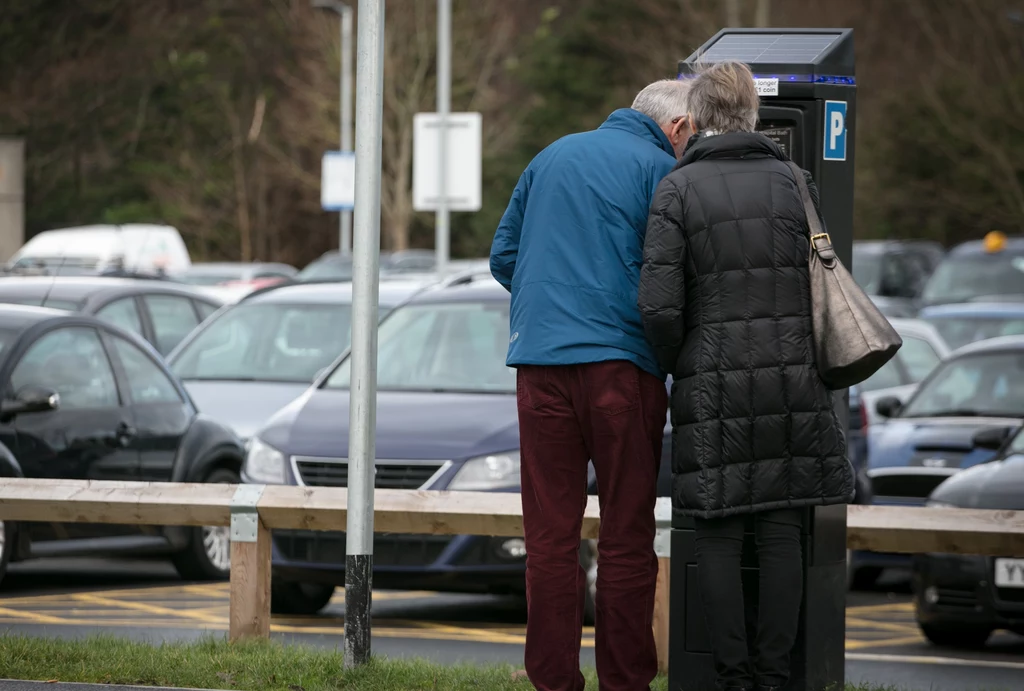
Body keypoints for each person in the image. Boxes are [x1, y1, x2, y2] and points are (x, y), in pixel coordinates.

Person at [638, 61, 854, 691]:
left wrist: (680, 360)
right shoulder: (794, 179)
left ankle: (730, 678)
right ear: (753, 117)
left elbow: (658, 306)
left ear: (698, 117)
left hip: (712, 383)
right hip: (792, 380)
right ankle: (774, 676)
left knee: (720, 533)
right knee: (784, 528)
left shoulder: (677, 190)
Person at [490, 79, 693, 691]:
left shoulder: (549, 156)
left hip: (540, 366)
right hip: (622, 368)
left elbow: (504, 256)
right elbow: (673, 274)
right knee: (626, 534)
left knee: (549, 536)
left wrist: (551, 307)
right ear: (679, 129)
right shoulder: (662, 170)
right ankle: (625, 682)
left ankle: (553, 682)